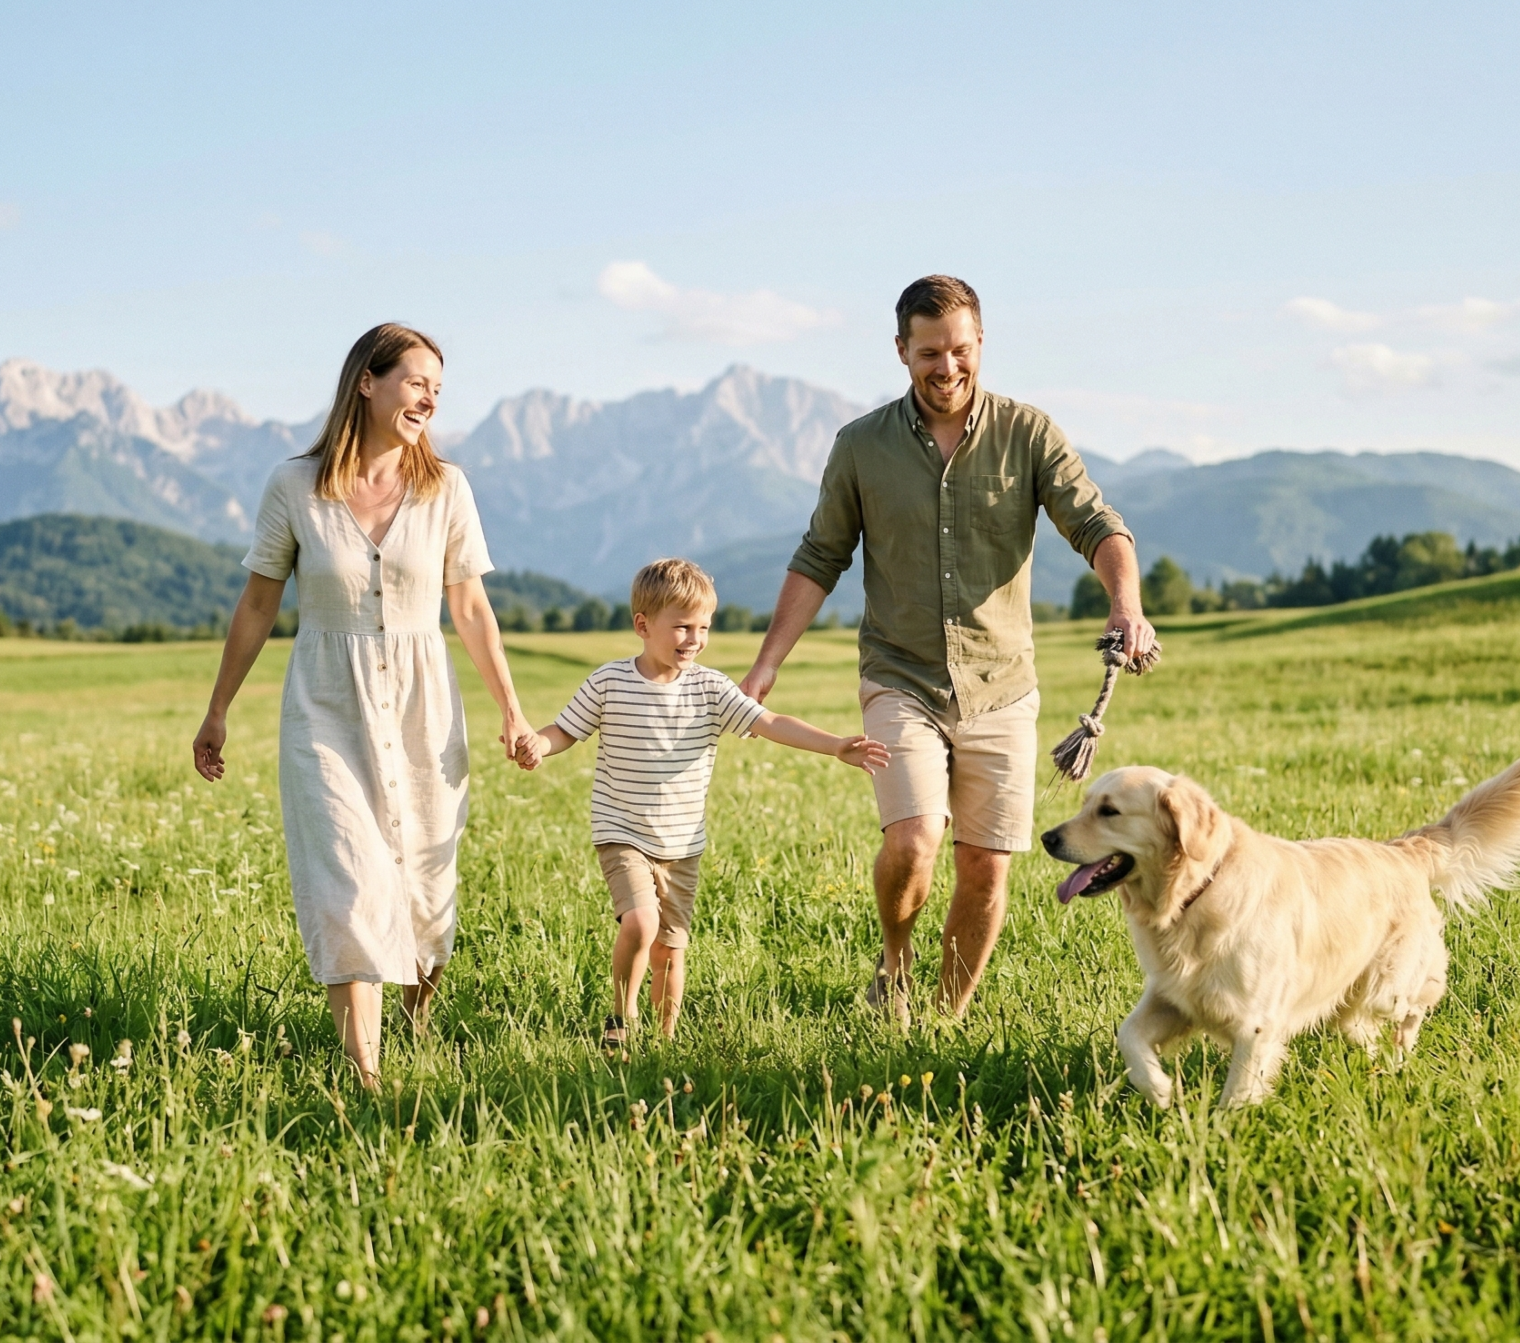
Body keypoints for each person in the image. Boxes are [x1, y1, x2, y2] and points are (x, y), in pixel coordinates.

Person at [740, 275, 1155, 1026]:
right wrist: (768, 662)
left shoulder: (1028, 435)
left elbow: (1098, 524)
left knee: (986, 867)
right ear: (901, 350)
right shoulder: (860, 447)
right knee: (913, 840)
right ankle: (895, 963)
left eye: (960, 349)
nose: (947, 367)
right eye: (929, 352)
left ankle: (943, 1022)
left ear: (980, 343)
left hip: (1002, 687)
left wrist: (1125, 603)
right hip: (902, 678)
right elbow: (819, 556)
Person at [192, 323, 533, 1089]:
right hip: (325, 702)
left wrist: (511, 708)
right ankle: (366, 1075)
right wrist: (218, 711)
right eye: (416, 382)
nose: (429, 399)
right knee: (349, 880)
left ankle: (412, 1023)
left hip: (424, 705)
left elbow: (471, 607)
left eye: (437, 390)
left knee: (424, 892)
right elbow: (256, 605)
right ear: (367, 383)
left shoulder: (448, 488)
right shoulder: (293, 486)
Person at [516, 559, 889, 1045]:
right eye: (682, 626)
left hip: (683, 841)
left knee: (671, 948)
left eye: (703, 627)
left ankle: (665, 1040)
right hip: (622, 832)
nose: (694, 638)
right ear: (643, 626)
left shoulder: (711, 688)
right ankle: (620, 1021)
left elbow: (769, 723)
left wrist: (835, 744)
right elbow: (565, 729)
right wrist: (539, 745)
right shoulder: (609, 682)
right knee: (641, 921)